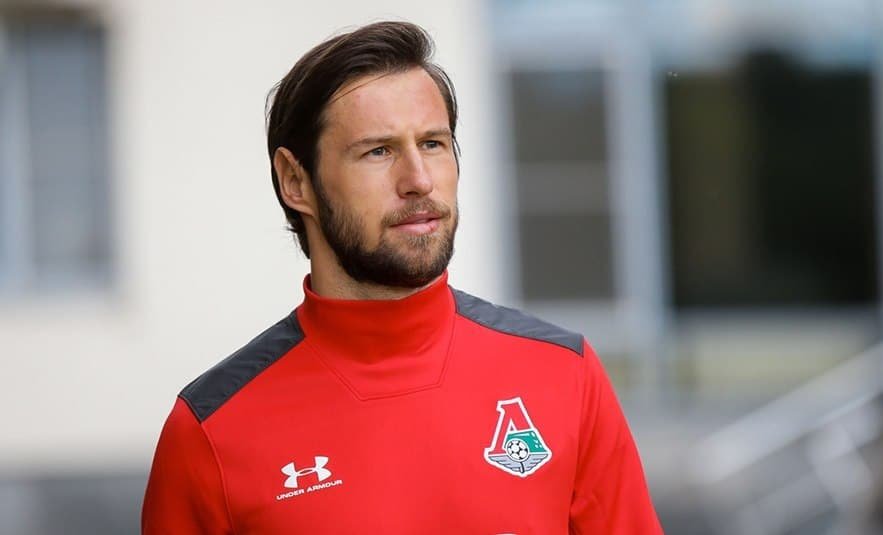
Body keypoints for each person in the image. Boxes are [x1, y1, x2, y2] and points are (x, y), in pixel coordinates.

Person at [141, 20, 663, 534]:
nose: (418, 180)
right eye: (379, 151)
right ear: (295, 181)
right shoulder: (211, 431)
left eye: (433, 144)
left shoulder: (564, 375)